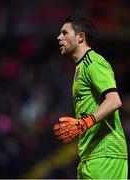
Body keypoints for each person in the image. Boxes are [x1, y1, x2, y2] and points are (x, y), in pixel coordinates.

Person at [53, 15, 128, 179]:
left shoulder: (93, 62)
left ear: (80, 37)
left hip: (105, 154)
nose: (59, 37)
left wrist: (84, 123)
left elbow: (114, 100)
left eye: (64, 33)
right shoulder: (81, 67)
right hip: (90, 155)